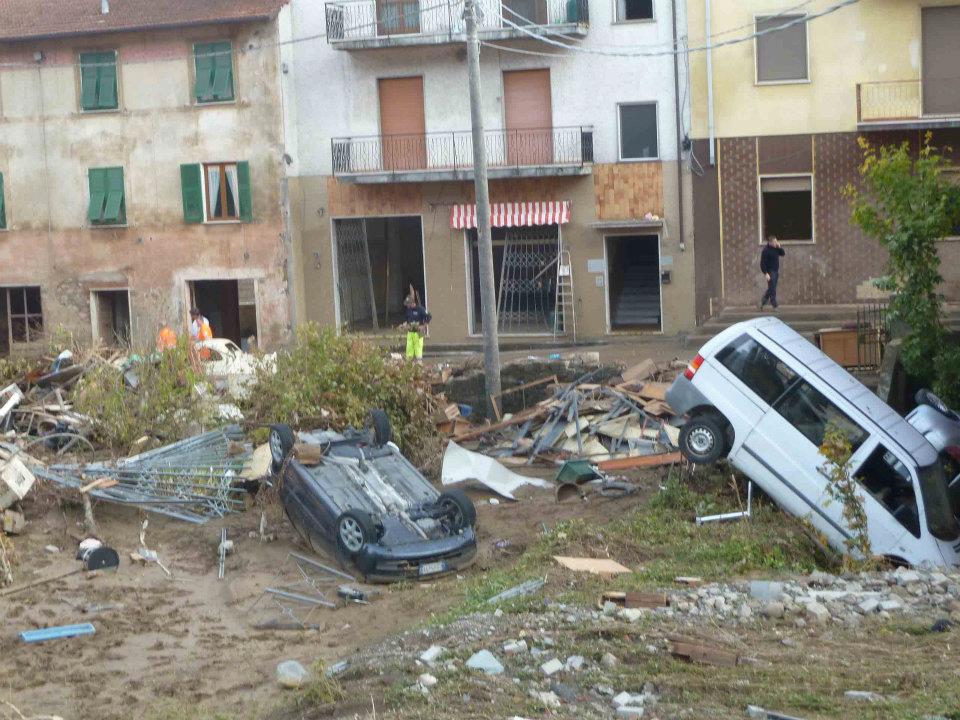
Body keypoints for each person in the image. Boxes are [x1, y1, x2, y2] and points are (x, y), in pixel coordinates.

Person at [402, 290, 430, 361]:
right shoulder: (408, 310)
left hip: (418, 333)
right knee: (409, 350)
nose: (407, 306)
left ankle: (419, 365)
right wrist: (405, 325)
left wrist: (423, 326)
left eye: (408, 304)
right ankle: (409, 366)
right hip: (410, 332)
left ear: (412, 303)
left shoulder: (420, 309)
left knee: (418, 351)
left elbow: (429, 317)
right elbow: (406, 320)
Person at [760, 235, 786, 310]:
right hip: (770, 271)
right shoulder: (766, 250)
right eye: (774, 242)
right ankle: (774, 304)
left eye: (776, 241)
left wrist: (779, 247)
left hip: (776, 270)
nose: (776, 243)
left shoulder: (776, 248)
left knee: (772, 287)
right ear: (770, 242)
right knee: (772, 288)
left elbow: (783, 254)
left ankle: (762, 302)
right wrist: (766, 273)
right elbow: (762, 263)